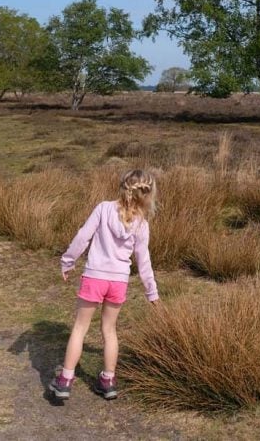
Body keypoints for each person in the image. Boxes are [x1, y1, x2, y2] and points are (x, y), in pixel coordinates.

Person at [49, 169, 160, 401]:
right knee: (109, 331)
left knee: (80, 328)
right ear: (147, 195)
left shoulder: (103, 208)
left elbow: (83, 236)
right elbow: (144, 261)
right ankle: (108, 380)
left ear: (122, 186)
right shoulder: (142, 224)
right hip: (118, 281)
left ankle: (65, 380)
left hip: (95, 277)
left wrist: (68, 261)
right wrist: (152, 293)